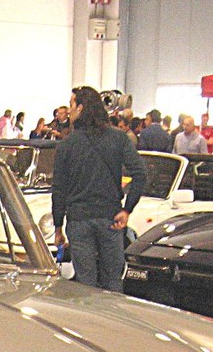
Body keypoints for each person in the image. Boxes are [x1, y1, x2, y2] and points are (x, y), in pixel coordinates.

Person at [51, 85, 147, 292]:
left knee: (85, 283)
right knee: (113, 280)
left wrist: (58, 226)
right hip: (110, 218)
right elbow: (140, 174)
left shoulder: (67, 145)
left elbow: (59, 188)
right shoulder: (119, 138)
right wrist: (127, 209)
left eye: (71, 105)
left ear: (82, 108)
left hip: (79, 220)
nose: (69, 110)